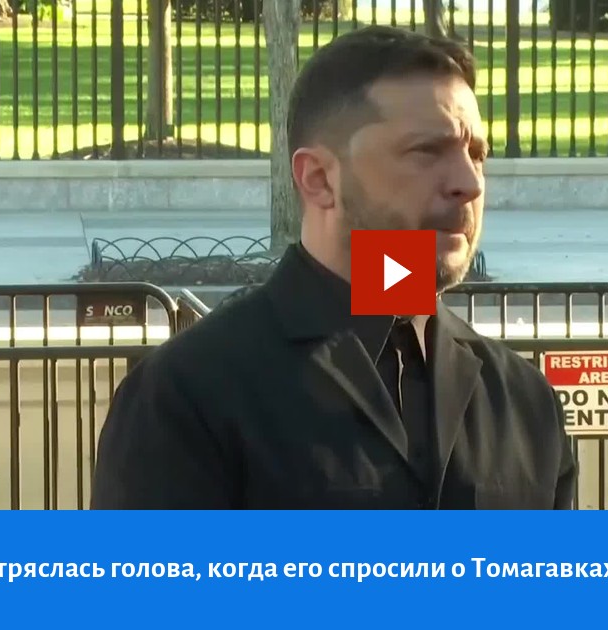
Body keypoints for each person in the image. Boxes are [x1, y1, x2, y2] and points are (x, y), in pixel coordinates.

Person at [90, 25, 576, 510]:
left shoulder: (524, 402)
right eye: (427, 151)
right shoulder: (188, 395)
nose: (469, 183)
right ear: (319, 179)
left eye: (477, 155)